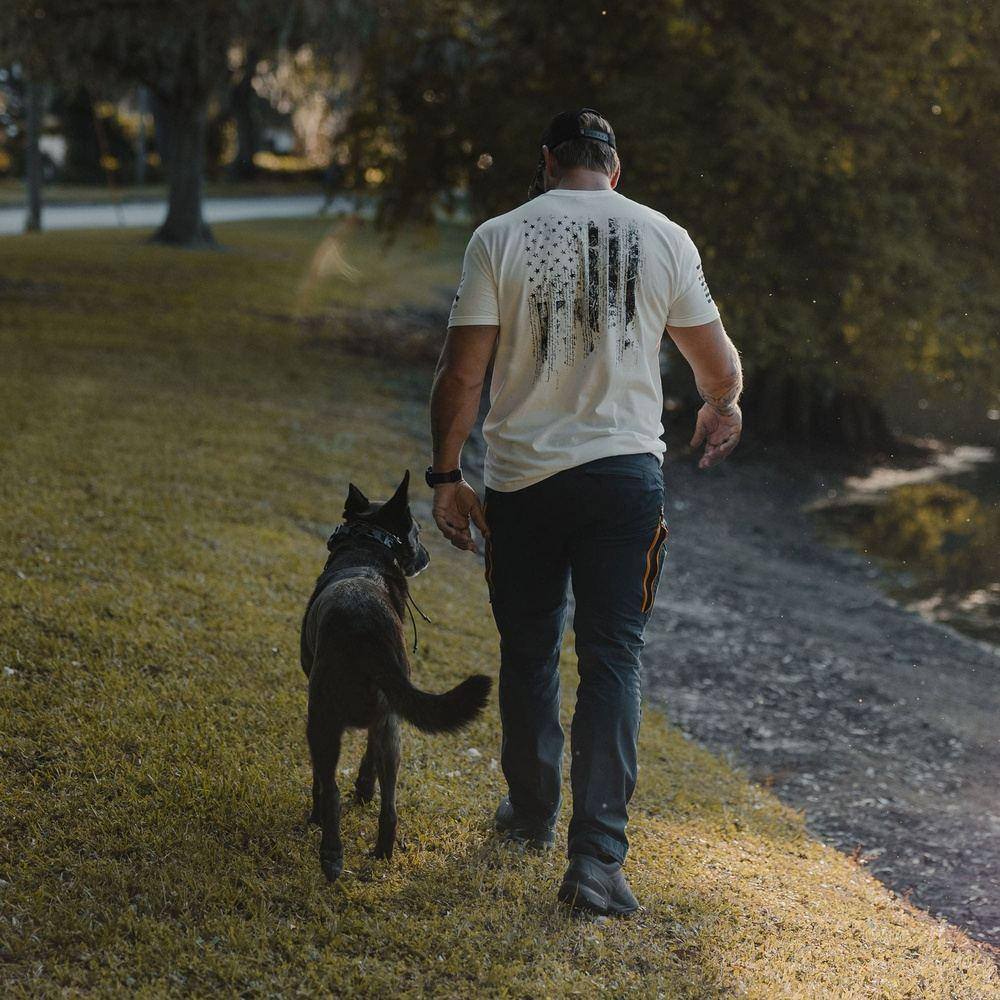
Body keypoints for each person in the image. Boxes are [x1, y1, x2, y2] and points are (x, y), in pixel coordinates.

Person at [426, 109, 743, 916]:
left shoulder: (499, 236)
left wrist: (445, 474)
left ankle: (531, 814)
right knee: (613, 656)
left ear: (546, 164)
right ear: (615, 166)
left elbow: (463, 375)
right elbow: (716, 363)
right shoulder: (664, 236)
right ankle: (598, 861)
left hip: (524, 482)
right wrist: (722, 405)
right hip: (623, 483)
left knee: (530, 648)